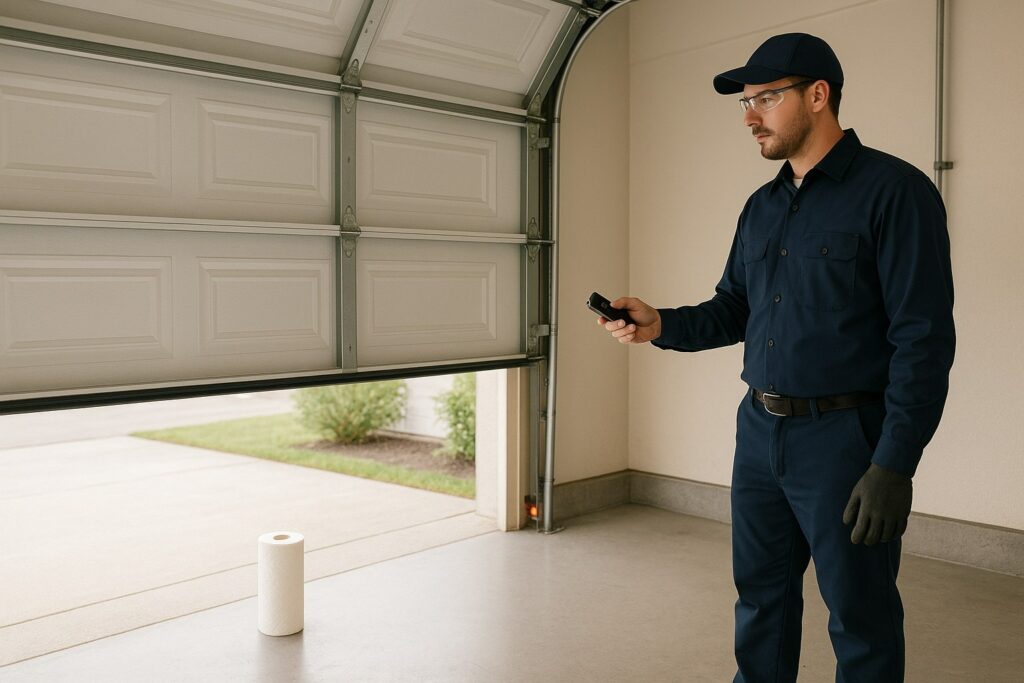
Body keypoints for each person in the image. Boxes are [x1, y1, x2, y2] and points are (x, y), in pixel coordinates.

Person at [596, 33, 955, 682]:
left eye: (765, 97)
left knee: (860, 616)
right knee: (761, 603)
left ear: (818, 96)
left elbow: (924, 340)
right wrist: (659, 324)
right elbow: (734, 308)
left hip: (846, 442)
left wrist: (893, 463)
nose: (749, 115)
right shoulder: (762, 208)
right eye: (745, 101)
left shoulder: (896, 193)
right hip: (758, 434)